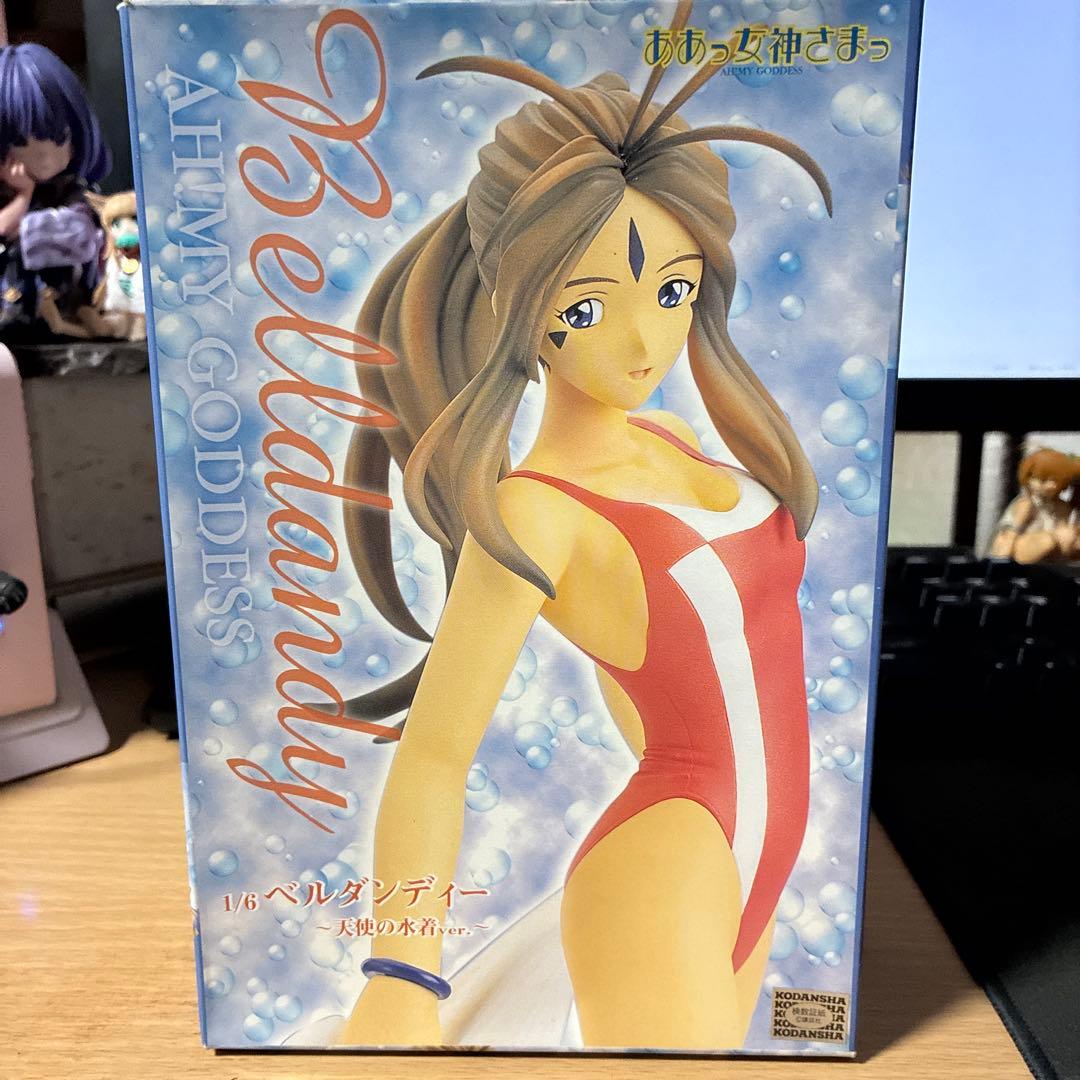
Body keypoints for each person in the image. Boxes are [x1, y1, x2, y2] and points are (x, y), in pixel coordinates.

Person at [337, 5, 831, 1049]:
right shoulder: (536, 511)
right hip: (669, 868)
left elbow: (653, 658)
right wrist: (400, 973)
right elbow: (434, 756)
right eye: (589, 305)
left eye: (674, 288)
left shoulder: (673, 442)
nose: (646, 339)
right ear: (518, 302)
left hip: (761, 855)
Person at [0, 43, 110, 343]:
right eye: (18, 142)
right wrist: (22, 197)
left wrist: (24, 201)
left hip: (64, 319)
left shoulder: (73, 193)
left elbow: (78, 239)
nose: (43, 154)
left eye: (59, 137)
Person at [990, 448, 1078, 564]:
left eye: (1056, 480)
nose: (1051, 485)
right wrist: (1001, 562)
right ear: (1029, 479)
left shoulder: (1062, 507)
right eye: (1044, 480)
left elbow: (1067, 539)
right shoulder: (1027, 504)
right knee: (1048, 541)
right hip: (1021, 553)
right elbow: (1008, 537)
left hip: (1051, 562)